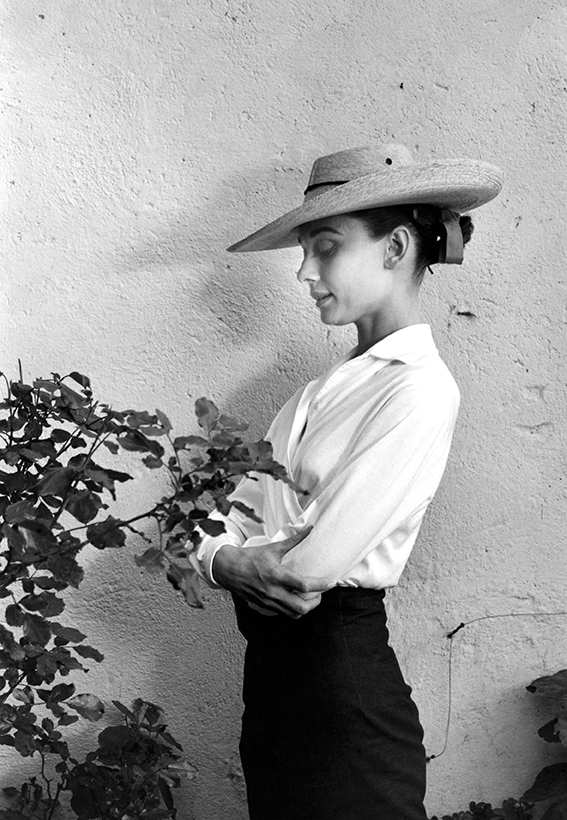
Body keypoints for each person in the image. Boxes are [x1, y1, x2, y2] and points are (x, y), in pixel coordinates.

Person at [191, 143, 503, 820]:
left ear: (394, 248)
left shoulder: (418, 392)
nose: (304, 270)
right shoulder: (314, 394)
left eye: (325, 246)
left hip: (341, 694)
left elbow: (304, 574)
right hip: (276, 694)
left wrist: (225, 555)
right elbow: (212, 516)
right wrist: (228, 556)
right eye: (303, 251)